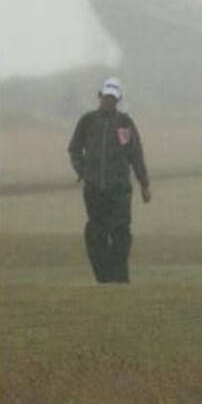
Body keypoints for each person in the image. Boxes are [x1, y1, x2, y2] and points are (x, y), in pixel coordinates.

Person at [68, 77, 152, 283]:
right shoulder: (88, 121)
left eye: (113, 98)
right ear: (100, 96)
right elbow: (74, 148)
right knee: (96, 232)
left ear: (118, 99)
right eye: (106, 97)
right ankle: (104, 278)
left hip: (119, 188)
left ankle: (120, 277)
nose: (109, 101)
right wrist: (83, 171)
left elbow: (135, 153)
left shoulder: (124, 122)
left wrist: (144, 183)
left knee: (121, 232)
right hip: (94, 188)